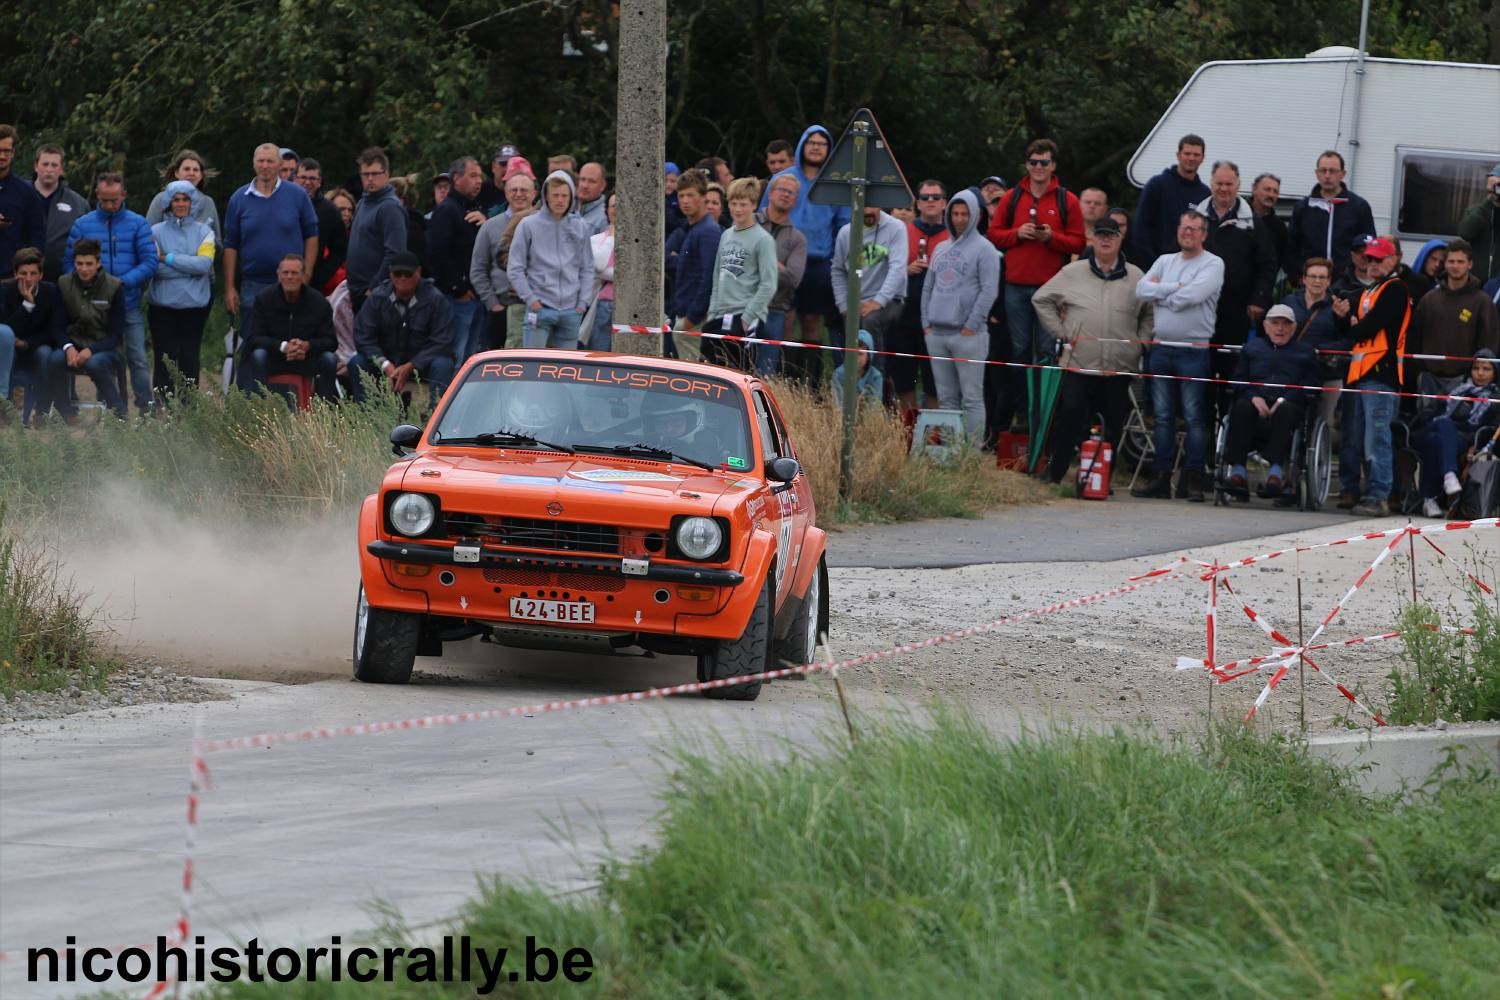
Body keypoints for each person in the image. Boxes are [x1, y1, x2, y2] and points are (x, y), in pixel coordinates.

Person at [1033, 215, 1153, 482]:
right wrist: (1062, 333)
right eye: (1101, 235)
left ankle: (1100, 480)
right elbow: (1041, 299)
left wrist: (1141, 343)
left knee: (1112, 426)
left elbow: (1150, 313)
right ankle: (1054, 473)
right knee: (1069, 419)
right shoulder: (1073, 272)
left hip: (1119, 367)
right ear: (1093, 239)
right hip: (1078, 363)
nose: (1106, 239)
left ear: (1120, 238)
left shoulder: (1137, 276)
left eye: (1111, 234)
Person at [986, 138, 1086, 429]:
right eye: (1033, 162)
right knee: (1018, 351)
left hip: (1051, 289)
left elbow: (1079, 241)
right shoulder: (1012, 197)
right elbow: (993, 234)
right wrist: (1018, 233)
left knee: (1045, 352)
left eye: (1044, 162)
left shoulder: (1067, 200)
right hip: (1016, 285)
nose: (1038, 167)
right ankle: (1022, 410)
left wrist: (1050, 238)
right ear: (1027, 164)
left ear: (1053, 165)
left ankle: (1042, 412)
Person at [1130, 210, 1225, 501]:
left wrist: (1163, 293)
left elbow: (1193, 297)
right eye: (1185, 228)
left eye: (1195, 229)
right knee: (1161, 417)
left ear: (1204, 235)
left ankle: (1193, 478)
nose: (1189, 233)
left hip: (1193, 350)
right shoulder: (1164, 261)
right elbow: (1141, 290)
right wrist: (1173, 288)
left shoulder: (1213, 263)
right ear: (1178, 230)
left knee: (1195, 418)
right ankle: (1160, 476)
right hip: (1160, 348)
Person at [64, 173, 159, 416]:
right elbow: (69, 264)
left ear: (123, 196)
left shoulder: (137, 223)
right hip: (93, 308)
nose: (109, 205)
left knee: (137, 357)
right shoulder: (82, 225)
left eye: (114, 201)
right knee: (94, 355)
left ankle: (146, 409)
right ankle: (106, 408)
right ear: (97, 196)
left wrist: (120, 284)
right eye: (104, 200)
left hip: (127, 303)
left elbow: (149, 262)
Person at [763, 126, 851, 383]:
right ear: (802, 144)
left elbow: (843, 225)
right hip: (783, 261)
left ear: (829, 149)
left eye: (822, 144)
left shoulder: (835, 182)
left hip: (818, 263)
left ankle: (810, 384)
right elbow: (765, 216)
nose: (816, 147)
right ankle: (785, 383)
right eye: (811, 142)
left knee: (812, 322)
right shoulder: (785, 178)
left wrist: (835, 259)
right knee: (785, 321)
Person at [1331, 236, 1409, 516]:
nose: (1372, 263)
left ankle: (1379, 495)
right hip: (1361, 374)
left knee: (1377, 439)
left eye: (1378, 259)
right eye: (1369, 258)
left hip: (1380, 375)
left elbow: (1368, 328)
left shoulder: (1395, 289)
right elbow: (1353, 333)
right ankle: (1363, 491)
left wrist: (1353, 326)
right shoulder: (1370, 291)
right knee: (1357, 437)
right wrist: (1344, 320)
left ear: (1393, 260)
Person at [221, 143, 318, 366]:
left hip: (291, 282)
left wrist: (308, 272)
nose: (265, 166)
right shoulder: (239, 198)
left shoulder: (297, 195)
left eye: (270, 161)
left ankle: (289, 396)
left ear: (280, 164)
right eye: (260, 161)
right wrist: (229, 287)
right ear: (254, 163)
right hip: (252, 283)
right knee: (252, 346)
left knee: (290, 342)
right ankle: (247, 395)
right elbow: (230, 244)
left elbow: (312, 234)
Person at [1193, 160, 1276, 411]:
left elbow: (1268, 264)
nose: (1224, 189)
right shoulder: (1196, 217)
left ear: (1238, 185)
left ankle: (1229, 425)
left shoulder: (1251, 221)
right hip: (1200, 310)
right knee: (1201, 373)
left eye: (1229, 184)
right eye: (1219, 183)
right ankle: (1203, 427)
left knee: (1233, 372)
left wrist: (1259, 298)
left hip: (1238, 310)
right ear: (1211, 183)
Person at [921, 189, 1001, 444]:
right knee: (946, 396)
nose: (959, 218)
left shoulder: (985, 249)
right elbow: (928, 286)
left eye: (965, 213)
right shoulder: (941, 248)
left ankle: (973, 452)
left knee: (972, 397)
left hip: (969, 335)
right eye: (955, 213)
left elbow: (990, 290)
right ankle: (948, 450)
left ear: (975, 215)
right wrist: (926, 323)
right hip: (937, 333)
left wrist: (972, 324)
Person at [1220, 304, 1324, 496]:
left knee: (1287, 410)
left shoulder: (1305, 352)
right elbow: (1238, 379)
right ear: (1266, 326)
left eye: (1285, 324)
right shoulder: (1252, 348)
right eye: (1275, 323)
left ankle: (1276, 473)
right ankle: (1238, 472)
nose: (1280, 328)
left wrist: (1285, 398)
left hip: (1288, 406)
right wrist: (1253, 397)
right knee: (1241, 407)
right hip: (1255, 403)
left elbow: (1312, 384)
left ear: (1293, 328)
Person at [350, 251, 455, 410]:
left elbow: (442, 341)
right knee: (357, 362)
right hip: (386, 362)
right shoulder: (377, 298)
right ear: (390, 274)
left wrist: (412, 365)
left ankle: (436, 416)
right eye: (398, 273)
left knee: (443, 363)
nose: (403, 278)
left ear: (418, 272)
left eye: (408, 273)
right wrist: (384, 363)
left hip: (421, 364)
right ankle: (367, 415)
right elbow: (363, 336)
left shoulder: (435, 300)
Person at [506, 170, 592, 350]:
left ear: (571, 197)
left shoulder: (580, 226)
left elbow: (587, 268)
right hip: (540, 306)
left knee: (567, 370)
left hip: (571, 309)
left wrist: (582, 303)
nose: (560, 200)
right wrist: (532, 300)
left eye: (564, 195)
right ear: (546, 196)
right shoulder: (528, 225)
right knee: (533, 367)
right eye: (555, 195)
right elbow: (515, 268)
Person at [147, 180, 216, 400]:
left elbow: (204, 265)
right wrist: (189, 267)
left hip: (194, 308)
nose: (180, 204)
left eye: (185, 199)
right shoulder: (155, 232)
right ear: (168, 202)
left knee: (189, 358)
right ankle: (162, 407)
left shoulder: (204, 232)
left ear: (192, 202)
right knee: (163, 358)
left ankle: (189, 408)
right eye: (176, 199)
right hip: (162, 307)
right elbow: (154, 269)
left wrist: (168, 258)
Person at [240, 253, 339, 403]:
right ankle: (257, 408)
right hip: (276, 358)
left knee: (329, 359)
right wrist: (283, 347)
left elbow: (331, 341)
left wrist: (307, 346)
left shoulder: (319, 303)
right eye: (286, 273)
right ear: (278, 276)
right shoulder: (264, 299)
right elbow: (254, 338)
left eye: (294, 273)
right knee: (258, 355)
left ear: (303, 276)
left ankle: (325, 412)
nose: (290, 277)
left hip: (306, 359)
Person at [1407, 238, 1498, 399]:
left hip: (1465, 382)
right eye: (1451, 261)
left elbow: (1488, 346)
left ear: (1470, 264)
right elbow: (1414, 339)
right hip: (1428, 380)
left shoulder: (1482, 302)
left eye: (1460, 261)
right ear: (1446, 264)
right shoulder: (1429, 299)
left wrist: (1476, 376)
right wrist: (1419, 372)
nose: (1455, 266)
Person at [705, 177, 778, 371]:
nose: (738, 209)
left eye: (743, 204)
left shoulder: (763, 239)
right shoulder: (726, 235)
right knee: (712, 369)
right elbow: (716, 277)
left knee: (739, 372)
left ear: (753, 205)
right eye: (734, 204)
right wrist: (712, 312)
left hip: (745, 315)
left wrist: (748, 317)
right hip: (719, 314)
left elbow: (768, 284)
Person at [1412, 350, 1497, 517]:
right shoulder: (1457, 390)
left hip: (1462, 440)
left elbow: (1489, 430)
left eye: (1486, 369)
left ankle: (1429, 499)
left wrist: (1476, 446)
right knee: (1443, 424)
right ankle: (1448, 475)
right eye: (1476, 368)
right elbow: (1430, 415)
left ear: (1495, 373)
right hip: (1433, 428)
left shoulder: (1495, 398)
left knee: (1435, 441)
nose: (1480, 373)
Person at [49, 238, 126, 419]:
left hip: (105, 347)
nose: (84, 269)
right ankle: (65, 412)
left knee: (95, 363)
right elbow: (57, 326)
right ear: (74, 263)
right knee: (54, 360)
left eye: (89, 264)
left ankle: (119, 414)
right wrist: (68, 347)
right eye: (79, 263)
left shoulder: (115, 287)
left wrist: (91, 350)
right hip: (73, 343)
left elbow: (116, 334)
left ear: (98, 263)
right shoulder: (63, 284)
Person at [892, 180, 950, 413]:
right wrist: (906, 270)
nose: (930, 202)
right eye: (925, 198)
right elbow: (887, 270)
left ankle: (933, 436)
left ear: (944, 202)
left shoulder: (950, 234)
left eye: (936, 197)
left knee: (934, 382)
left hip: (937, 320)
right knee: (904, 379)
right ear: (918, 202)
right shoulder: (902, 231)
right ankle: (906, 431)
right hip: (904, 316)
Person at [832, 200, 909, 371]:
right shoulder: (845, 233)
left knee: (870, 321)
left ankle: (875, 377)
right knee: (851, 328)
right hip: (856, 302)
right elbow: (837, 271)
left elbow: (898, 267)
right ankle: (851, 384)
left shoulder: (896, 228)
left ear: (880, 205)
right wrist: (844, 306)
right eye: (863, 206)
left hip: (891, 299)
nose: (868, 211)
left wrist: (878, 301)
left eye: (872, 205)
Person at [427, 156, 488, 363]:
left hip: (476, 295)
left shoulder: (473, 209)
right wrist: (459, 288)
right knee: (455, 356)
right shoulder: (446, 210)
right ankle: (446, 395)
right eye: (473, 176)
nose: (478, 181)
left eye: (480, 176)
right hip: (456, 298)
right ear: (457, 178)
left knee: (470, 360)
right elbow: (438, 255)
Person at [470, 171, 537, 351]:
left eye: (524, 190)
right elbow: (478, 270)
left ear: (534, 194)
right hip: (502, 308)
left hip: (540, 307)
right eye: (514, 189)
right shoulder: (490, 227)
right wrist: (493, 304)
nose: (519, 194)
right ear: (506, 193)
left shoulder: (545, 225)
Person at [1287, 150, 1376, 284]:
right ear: (1317, 173)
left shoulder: (1359, 207)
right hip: (1312, 283)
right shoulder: (1303, 207)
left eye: (1332, 171)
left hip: (1348, 284)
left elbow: (1370, 245)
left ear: (1342, 174)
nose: (1327, 176)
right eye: (1323, 170)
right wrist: (1298, 275)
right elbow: (1291, 246)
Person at [665, 169, 722, 362]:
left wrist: (692, 318)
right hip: (685, 313)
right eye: (681, 195)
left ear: (703, 197)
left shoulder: (708, 231)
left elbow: (709, 278)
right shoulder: (693, 229)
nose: (685, 201)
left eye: (691, 195)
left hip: (695, 319)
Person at [755, 173, 808, 377]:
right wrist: (776, 264)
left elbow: (793, 278)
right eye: (782, 190)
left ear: (796, 201)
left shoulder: (798, 239)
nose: (786, 195)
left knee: (765, 374)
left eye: (791, 193)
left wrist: (761, 261)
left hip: (774, 310)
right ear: (770, 193)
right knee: (735, 366)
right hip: (742, 306)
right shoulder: (750, 222)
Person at [0, 248, 62, 421]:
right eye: (23, 273)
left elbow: (54, 329)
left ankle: (41, 413)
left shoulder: (51, 291)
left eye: (33, 273)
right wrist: (27, 305)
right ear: (15, 273)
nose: (28, 279)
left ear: (41, 275)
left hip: (37, 344)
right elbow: (6, 328)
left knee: (45, 355)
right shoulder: (6, 290)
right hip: (12, 347)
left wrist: (27, 343)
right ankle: (6, 409)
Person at [1283, 257, 1346, 426]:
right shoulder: (1290, 302)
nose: (1317, 281)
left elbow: (1347, 341)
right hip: (1293, 371)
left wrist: (1319, 350)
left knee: (1324, 421)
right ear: (1304, 279)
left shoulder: (1338, 306)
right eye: (1312, 276)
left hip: (1327, 373)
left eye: (1322, 277)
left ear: (1329, 281)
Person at [1130, 134, 1208, 267]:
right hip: (1156, 267)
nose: (1191, 158)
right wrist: (1155, 266)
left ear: (1202, 158)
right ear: (1178, 155)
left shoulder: (1205, 194)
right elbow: (1140, 230)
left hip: (1191, 270)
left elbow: (1205, 237)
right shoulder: (1157, 185)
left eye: (1196, 155)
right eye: (1187, 153)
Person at [345, 147, 408, 312]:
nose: (370, 179)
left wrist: (374, 288)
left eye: (375, 174)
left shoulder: (390, 207)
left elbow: (395, 253)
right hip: (357, 289)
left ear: (386, 174)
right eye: (365, 174)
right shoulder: (362, 202)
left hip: (378, 292)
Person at [31, 143, 90, 282]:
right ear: (36, 166)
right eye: (45, 164)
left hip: (63, 281)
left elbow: (86, 243)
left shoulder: (78, 204)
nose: (49, 169)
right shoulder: (19, 196)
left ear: (62, 169)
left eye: (54, 165)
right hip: (23, 277)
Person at [294, 157, 348, 295]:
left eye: (312, 178)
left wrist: (320, 276)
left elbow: (340, 249)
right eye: (303, 178)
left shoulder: (330, 211)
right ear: (295, 178)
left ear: (319, 182)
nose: (307, 182)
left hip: (312, 284)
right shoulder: (283, 204)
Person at [144, 149, 221, 242]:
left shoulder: (208, 203)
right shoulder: (160, 200)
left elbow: (217, 241)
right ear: (176, 173)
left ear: (200, 175)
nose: (191, 173)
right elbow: (146, 236)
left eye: (196, 170)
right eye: (187, 169)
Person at [0, 125, 45, 280]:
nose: (2, 156)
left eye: (7, 151)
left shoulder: (26, 192)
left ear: (13, 153)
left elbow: (37, 237)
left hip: (12, 278)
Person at [584, 193, 617, 351]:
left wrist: (608, 274)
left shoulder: (636, 242)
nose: (617, 210)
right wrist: (612, 236)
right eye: (613, 206)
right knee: (601, 350)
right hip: (603, 302)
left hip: (629, 306)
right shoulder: (596, 240)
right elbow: (598, 266)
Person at [1456, 163, 1499, 282]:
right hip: (1475, 283)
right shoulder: (1477, 211)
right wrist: (1489, 200)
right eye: (1495, 186)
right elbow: (1465, 232)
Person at [831, 329, 883, 407]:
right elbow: (838, 404)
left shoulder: (876, 377)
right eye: (853, 353)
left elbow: (874, 406)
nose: (856, 358)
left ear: (868, 356)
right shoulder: (839, 374)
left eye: (860, 354)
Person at [1249, 172, 1287, 273]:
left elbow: (1278, 261)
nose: (1271, 194)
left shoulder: (1280, 228)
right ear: (1254, 189)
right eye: (1267, 189)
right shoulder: (1238, 217)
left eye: (1275, 191)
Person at [479, 143, 521, 217]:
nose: (507, 169)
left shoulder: (527, 192)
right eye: (503, 164)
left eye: (512, 165)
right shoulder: (480, 191)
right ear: (493, 167)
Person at [1405, 239, 1447, 305]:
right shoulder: (1407, 280)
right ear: (1424, 257)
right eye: (1433, 259)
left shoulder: (1443, 288)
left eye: (1441, 262)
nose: (1437, 265)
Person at [575, 162, 608, 236]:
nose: (585, 186)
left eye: (592, 181)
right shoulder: (567, 208)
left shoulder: (606, 217)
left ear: (602, 185)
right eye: (582, 179)